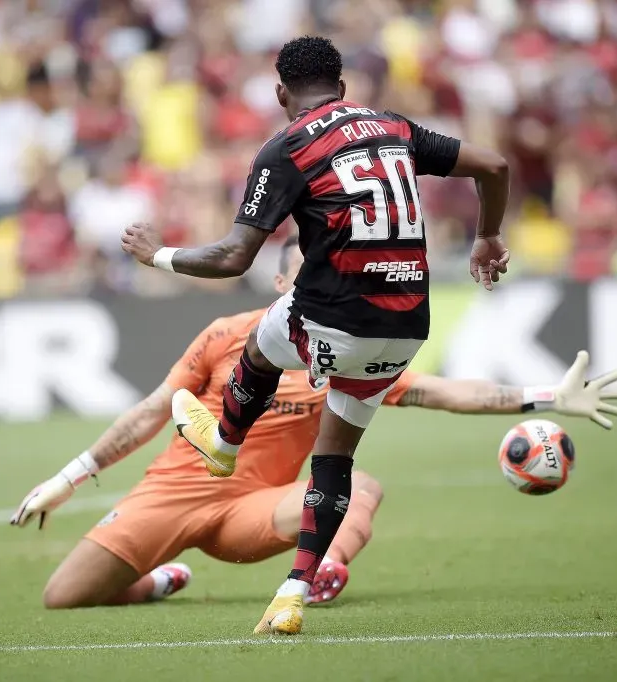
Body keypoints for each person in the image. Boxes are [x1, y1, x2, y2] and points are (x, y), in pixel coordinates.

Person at [120, 36, 512, 634]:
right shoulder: (394, 127)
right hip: (406, 328)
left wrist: (159, 256)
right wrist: (487, 236)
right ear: (343, 87)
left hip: (336, 316)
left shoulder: (287, 148)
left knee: (261, 338)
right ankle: (292, 594)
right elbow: (496, 166)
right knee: (333, 459)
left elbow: (231, 259)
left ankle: (225, 443)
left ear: (281, 92)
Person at [11, 236, 617, 611]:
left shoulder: (345, 352)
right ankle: (160, 580)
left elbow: (440, 392)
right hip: (170, 496)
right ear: (281, 283)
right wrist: (69, 477)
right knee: (63, 597)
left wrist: (544, 395)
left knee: (360, 485)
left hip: (256, 511)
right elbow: (150, 412)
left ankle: (325, 565)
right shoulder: (227, 337)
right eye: (308, 272)